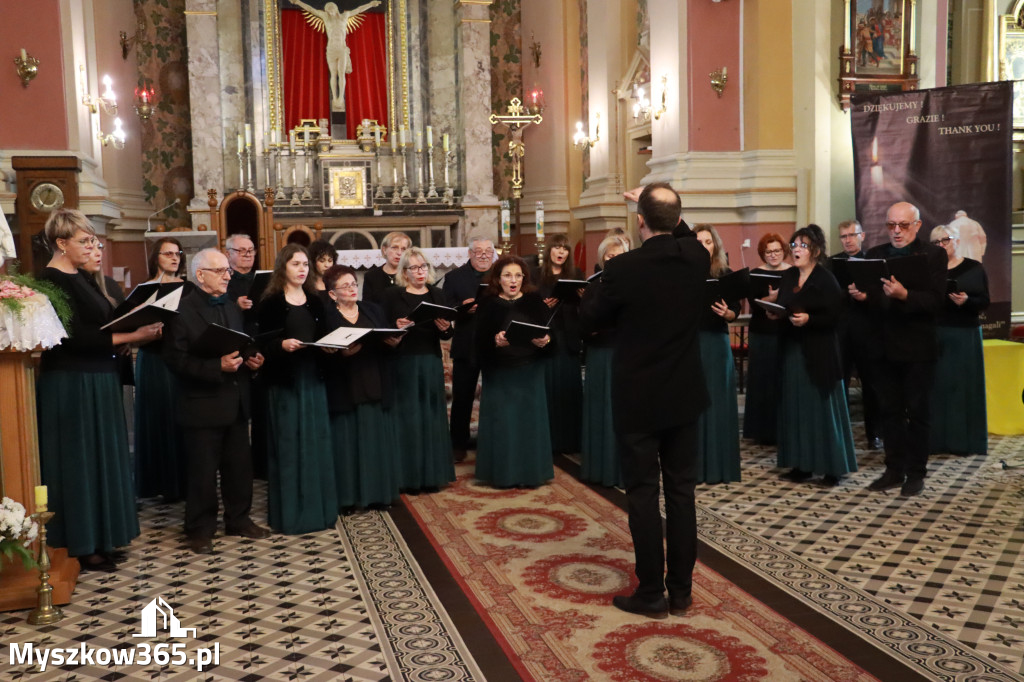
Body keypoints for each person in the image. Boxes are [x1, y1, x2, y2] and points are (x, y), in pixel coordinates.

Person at [580, 182, 709, 619]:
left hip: (638, 398)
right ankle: (682, 591)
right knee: (681, 493)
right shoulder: (696, 258)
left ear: (638, 223)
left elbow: (589, 320)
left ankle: (651, 591)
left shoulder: (624, 269)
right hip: (685, 396)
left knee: (642, 494)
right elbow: (685, 235)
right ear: (676, 219)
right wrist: (661, 205)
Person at [37, 209, 162, 571]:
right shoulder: (50, 281)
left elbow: (104, 325)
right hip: (73, 382)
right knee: (80, 462)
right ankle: (81, 542)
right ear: (61, 244)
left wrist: (122, 335)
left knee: (102, 459)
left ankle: (103, 536)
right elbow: (74, 338)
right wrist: (134, 336)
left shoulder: (84, 278)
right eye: (85, 241)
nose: (93, 246)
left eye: (94, 240)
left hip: (99, 376)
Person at [164, 249, 270, 554]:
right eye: (221, 271)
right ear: (200, 275)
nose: (228, 275)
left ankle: (239, 519)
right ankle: (199, 529)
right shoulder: (181, 311)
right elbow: (174, 360)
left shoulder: (232, 307)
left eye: (228, 270)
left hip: (235, 399)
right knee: (203, 471)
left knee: (239, 467)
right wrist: (215, 367)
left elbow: (239, 343)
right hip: (201, 402)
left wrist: (252, 357)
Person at [850, 202, 946, 497]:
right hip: (882, 348)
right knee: (888, 411)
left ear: (917, 226)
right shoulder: (877, 254)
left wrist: (905, 295)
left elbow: (936, 302)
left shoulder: (933, 255)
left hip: (917, 347)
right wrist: (865, 296)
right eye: (891, 225)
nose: (896, 231)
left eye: (903, 225)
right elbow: (876, 298)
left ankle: (916, 473)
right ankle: (893, 469)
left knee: (917, 412)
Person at [256, 244, 338, 533]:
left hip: (313, 379)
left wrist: (330, 347)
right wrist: (280, 345)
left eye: (305, 264)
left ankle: (320, 512)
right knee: (290, 447)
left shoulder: (316, 302)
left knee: (315, 445)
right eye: (296, 264)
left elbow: (325, 336)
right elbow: (260, 342)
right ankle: (290, 515)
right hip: (285, 382)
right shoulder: (271, 303)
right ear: (283, 268)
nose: (303, 269)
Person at [767, 227, 857, 486]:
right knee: (796, 407)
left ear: (816, 251)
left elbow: (836, 318)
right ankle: (802, 464)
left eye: (802, 245)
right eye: (794, 244)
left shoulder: (825, 278)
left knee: (821, 409)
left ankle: (832, 469)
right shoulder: (789, 276)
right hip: (793, 351)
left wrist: (810, 319)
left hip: (820, 352)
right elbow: (785, 305)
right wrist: (776, 312)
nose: (795, 249)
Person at [322, 264, 402, 509]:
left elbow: (383, 337)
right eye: (345, 286)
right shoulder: (326, 316)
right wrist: (339, 355)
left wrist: (392, 342)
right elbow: (322, 353)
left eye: (353, 284)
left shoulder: (372, 309)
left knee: (374, 441)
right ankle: (348, 498)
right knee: (348, 444)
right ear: (332, 294)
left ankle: (378, 495)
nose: (352, 289)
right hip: (345, 384)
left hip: (374, 378)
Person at [474, 255, 554, 487]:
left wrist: (546, 341)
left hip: (529, 371)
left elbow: (551, 333)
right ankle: (503, 474)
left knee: (529, 424)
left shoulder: (533, 301)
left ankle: (531, 474)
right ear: (498, 279)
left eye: (518, 275)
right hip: (500, 373)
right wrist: (494, 341)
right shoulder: (488, 304)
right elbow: (477, 343)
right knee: (504, 424)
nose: (513, 280)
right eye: (508, 275)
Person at [384, 247, 456, 491]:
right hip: (404, 361)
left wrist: (445, 326)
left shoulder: (437, 294)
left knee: (432, 416)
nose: (419, 272)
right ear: (404, 271)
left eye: (423, 266)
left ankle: (433, 475)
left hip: (430, 360)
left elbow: (447, 332)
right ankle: (409, 477)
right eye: (414, 268)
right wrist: (396, 325)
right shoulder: (393, 295)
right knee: (409, 417)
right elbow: (384, 327)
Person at [135, 237, 192, 502]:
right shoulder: (144, 290)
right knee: (157, 416)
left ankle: (183, 481)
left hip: (181, 359)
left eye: (177, 253)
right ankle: (158, 481)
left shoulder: (189, 289)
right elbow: (131, 328)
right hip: (154, 360)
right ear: (155, 257)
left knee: (182, 416)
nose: (174, 257)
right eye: (167, 253)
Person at [927, 224, 989, 455]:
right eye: (936, 242)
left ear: (957, 241)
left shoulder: (974, 268)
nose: (941, 245)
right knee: (937, 388)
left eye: (946, 240)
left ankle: (964, 442)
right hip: (936, 333)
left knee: (962, 389)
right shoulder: (930, 271)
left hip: (965, 333)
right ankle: (936, 442)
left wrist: (967, 301)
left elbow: (984, 301)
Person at [693, 224, 742, 484]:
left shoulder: (725, 273)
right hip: (691, 345)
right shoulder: (684, 273)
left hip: (716, 344)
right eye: (698, 241)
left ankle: (720, 465)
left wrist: (728, 313)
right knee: (693, 404)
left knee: (718, 403)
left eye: (708, 241)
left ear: (715, 245)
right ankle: (695, 466)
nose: (703, 245)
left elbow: (735, 310)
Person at [579, 236, 628, 486]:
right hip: (600, 356)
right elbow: (585, 323)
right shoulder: (594, 286)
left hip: (626, 356)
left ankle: (623, 470)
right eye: (610, 257)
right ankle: (599, 468)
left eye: (619, 256)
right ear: (602, 259)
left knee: (624, 414)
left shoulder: (635, 284)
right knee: (601, 411)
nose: (615, 260)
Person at [830, 219, 882, 450]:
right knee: (839, 382)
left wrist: (865, 295)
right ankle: (840, 432)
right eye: (844, 236)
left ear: (863, 235)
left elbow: (882, 294)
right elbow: (827, 296)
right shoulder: (832, 263)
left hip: (868, 332)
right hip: (840, 332)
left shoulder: (873, 261)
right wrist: (845, 293)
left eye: (852, 235)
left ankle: (875, 434)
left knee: (871, 384)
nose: (848, 240)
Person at [442, 235, 495, 461]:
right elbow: (444, 308)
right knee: (462, 397)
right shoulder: (454, 277)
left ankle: (493, 442)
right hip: (467, 343)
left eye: (487, 252)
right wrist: (461, 308)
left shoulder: (500, 274)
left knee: (494, 396)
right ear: (470, 254)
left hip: (495, 343)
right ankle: (458, 445)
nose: (483, 256)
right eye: (478, 252)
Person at [534, 234, 585, 455]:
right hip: (547, 338)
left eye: (565, 248)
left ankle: (570, 440)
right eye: (557, 247)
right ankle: (548, 440)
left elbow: (583, 308)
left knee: (568, 389)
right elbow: (527, 305)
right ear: (549, 251)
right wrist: (543, 304)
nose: (561, 252)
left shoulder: (576, 275)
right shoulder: (536, 275)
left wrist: (584, 297)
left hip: (569, 338)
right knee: (548, 389)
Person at [287, 0, 381, 111]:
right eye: (327, 10)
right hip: (331, 49)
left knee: (341, 74)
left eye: (331, 9)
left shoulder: (345, 16)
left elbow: (359, 9)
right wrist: (298, 2)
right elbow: (311, 9)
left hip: (341, 49)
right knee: (333, 74)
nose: (329, 12)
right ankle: (335, 97)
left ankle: (340, 97)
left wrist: (371, 4)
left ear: (335, 8)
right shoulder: (325, 17)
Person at [743, 233, 791, 445]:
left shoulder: (793, 272)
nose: (773, 255)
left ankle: (782, 429)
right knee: (761, 381)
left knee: (782, 381)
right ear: (763, 253)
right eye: (769, 251)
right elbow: (754, 304)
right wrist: (772, 298)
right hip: (761, 333)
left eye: (777, 250)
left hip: (785, 332)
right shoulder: (755, 274)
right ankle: (761, 431)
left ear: (784, 251)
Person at [362, 231, 411, 304]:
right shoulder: (371, 276)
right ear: (384, 250)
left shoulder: (411, 274)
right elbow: (367, 306)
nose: (399, 253)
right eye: (394, 247)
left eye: (403, 249)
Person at [225, 233, 258, 313]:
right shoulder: (222, 280)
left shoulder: (261, 279)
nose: (248, 255)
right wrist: (235, 305)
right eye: (241, 251)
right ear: (228, 254)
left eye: (250, 250)